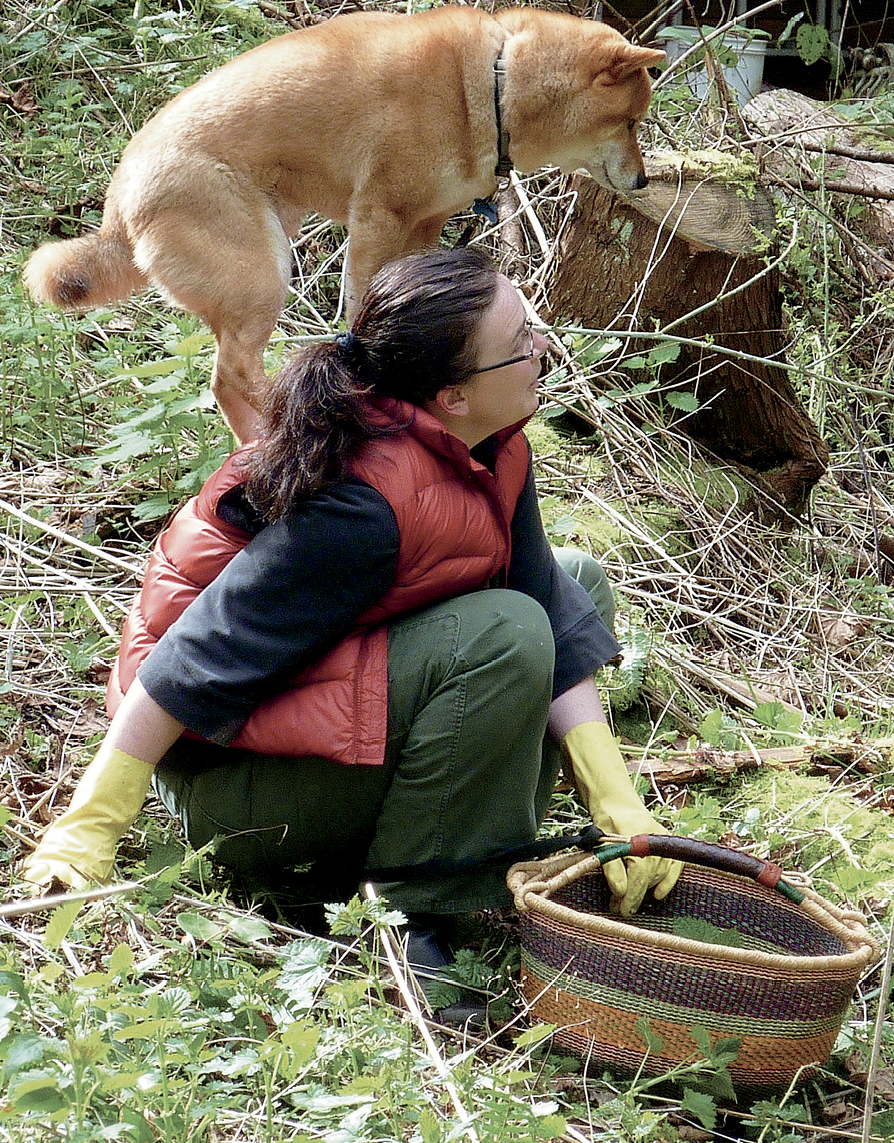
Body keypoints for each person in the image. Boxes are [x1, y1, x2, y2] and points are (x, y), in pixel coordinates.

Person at [21, 248, 682, 1018]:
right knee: (503, 633)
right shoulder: (360, 506)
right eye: (521, 339)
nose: (542, 346)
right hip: (234, 794)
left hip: (326, 723)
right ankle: (410, 916)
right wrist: (90, 826)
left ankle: (469, 849)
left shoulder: (491, 444)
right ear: (452, 394)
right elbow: (186, 663)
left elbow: (549, 606)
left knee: (571, 582)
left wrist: (617, 800)